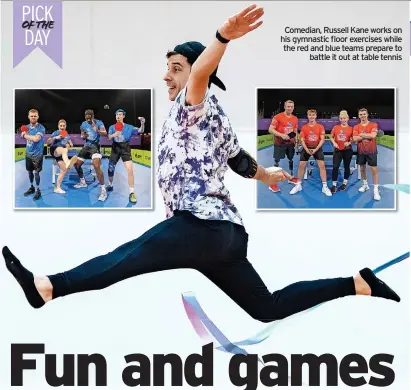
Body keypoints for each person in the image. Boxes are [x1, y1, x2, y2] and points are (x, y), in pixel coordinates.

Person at [4, 5, 399, 321]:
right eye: (168, 68)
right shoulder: (218, 118)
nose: (167, 76)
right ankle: (356, 283)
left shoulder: (192, 104)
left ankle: (47, 286)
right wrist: (266, 175)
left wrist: (222, 37)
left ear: (196, 73)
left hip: (199, 226)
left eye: (176, 68)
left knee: (122, 260)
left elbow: (199, 77)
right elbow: (239, 160)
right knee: (267, 308)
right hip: (224, 235)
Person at [290, 109, 332, 196]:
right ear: (308, 116)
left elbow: (322, 139)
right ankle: (298, 185)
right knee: (301, 165)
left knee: (322, 166)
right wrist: (307, 149)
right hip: (306, 148)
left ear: (316, 116)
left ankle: (324, 187)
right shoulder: (304, 127)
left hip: (317, 148)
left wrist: (315, 149)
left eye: (313, 115)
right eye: (310, 115)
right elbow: (302, 140)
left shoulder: (320, 127)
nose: (312, 116)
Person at [106, 109, 145, 203]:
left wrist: (142, 123)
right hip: (115, 148)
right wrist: (114, 134)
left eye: (120, 114)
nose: (118, 116)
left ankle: (132, 192)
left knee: (130, 169)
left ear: (123, 116)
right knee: (110, 169)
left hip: (125, 148)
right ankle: (110, 184)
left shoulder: (129, 127)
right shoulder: (112, 127)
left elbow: (140, 131)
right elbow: (109, 137)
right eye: (117, 115)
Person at [73, 109, 108, 201]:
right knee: (76, 164)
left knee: (96, 165)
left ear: (92, 116)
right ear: (85, 116)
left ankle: (103, 190)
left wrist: (97, 130)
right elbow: (82, 136)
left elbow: (105, 133)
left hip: (95, 146)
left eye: (90, 117)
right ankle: (83, 182)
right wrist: (83, 135)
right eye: (86, 117)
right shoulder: (83, 124)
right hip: (86, 146)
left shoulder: (99, 122)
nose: (88, 119)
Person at [267, 100, 299, 193]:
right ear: (284, 107)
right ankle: (272, 183)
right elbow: (270, 129)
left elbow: (295, 130)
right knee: (277, 162)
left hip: (290, 144)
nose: (290, 108)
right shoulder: (278, 117)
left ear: (293, 107)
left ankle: (291, 177)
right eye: (288, 106)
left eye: (291, 106)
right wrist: (281, 135)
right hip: (279, 143)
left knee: (291, 159)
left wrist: (296, 140)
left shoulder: (295, 118)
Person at [353, 108, 381, 201]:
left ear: (367, 114)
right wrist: (366, 135)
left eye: (364, 114)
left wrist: (360, 134)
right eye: (361, 114)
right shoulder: (356, 126)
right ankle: (365, 185)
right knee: (362, 168)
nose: (362, 116)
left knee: (374, 170)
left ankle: (376, 190)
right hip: (361, 151)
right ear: (358, 116)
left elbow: (373, 136)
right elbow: (355, 139)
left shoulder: (374, 124)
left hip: (371, 151)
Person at [47, 119, 78, 194]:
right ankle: (68, 162)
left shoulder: (67, 134)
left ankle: (57, 188)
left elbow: (71, 144)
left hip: (61, 154)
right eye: (61, 126)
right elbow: (48, 142)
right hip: (55, 149)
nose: (62, 127)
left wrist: (69, 145)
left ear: (66, 126)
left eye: (63, 126)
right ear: (58, 126)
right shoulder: (56, 132)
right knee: (64, 150)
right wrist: (55, 137)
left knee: (64, 170)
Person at [21, 109, 46, 201]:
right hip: (28, 154)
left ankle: (38, 190)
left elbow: (36, 139)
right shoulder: (26, 127)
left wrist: (24, 135)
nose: (33, 117)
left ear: (38, 117)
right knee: (29, 171)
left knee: (36, 172)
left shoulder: (41, 128)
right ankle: (32, 187)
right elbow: (23, 134)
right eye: (31, 116)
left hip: (37, 155)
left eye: (35, 116)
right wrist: (23, 134)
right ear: (28, 117)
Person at [329, 110, 354, 194]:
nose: (343, 120)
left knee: (347, 166)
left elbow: (353, 139)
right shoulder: (336, 127)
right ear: (339, 119)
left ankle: (344, 183)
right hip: (337, 150)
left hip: (347, 151)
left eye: (344, 118)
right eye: (341, 118)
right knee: (335, 167)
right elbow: (331, 137)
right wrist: (334, 143)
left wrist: (349, 142)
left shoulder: (351, 129)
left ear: (347, 118)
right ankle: (334, 185)